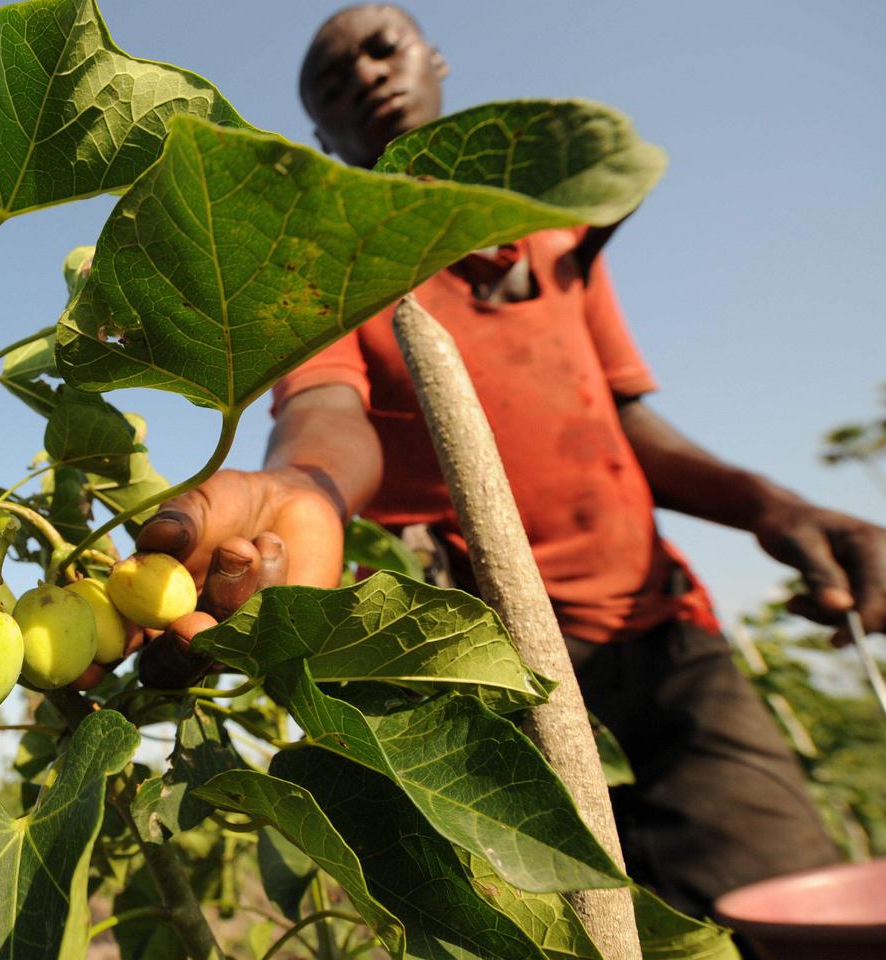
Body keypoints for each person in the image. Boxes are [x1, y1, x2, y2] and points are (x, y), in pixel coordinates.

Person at [120, 2, 886, 920]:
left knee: (783, 902)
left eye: (381, 48)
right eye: (331, 81)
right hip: (489, 669)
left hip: (663, 629)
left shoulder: (559, 243)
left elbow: (628, 425)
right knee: (555, 922)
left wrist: (775, 507)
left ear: (435, 59)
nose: (365, 74)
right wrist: (304, 489)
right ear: (319, 130)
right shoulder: (328, 267)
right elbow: (328, 414)